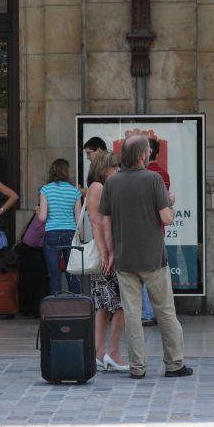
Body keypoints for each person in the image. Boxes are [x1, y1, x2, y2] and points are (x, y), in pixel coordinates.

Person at [98, 135, 192, 380]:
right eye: (148, 151)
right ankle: (174, 364)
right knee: (165, 311)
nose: (149, 154)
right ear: (143, 155)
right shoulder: (154, 179)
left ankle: (138, 367)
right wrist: (170, 202)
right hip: (153, 258)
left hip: (124, 258)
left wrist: (109, 253)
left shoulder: (112, 183)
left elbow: (105, 223)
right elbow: (166, 218)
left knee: (131, 314)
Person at [86, 151, 128, 372]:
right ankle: (113, 351)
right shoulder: (99, 188)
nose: (118, 170)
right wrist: (107, 253)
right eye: (114, 166)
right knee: (121, 304)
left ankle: (101, 352)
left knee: (104, 306)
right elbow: (97, 222)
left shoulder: (100, 187)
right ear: (104, 168)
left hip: (107, 255)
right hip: (108, 255)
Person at [38, 158, 83, 295]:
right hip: (70, 233)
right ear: (66, 172)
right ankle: (77, 307)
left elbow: (42, 217)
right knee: (73, 273)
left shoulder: (45, 190)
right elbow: (79, 218)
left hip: (52, 234)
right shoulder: (75, 191)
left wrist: (37, 211)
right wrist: (80, 238)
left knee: (54, 274)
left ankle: (56, 310)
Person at [140, 137, 170, 326]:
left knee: (141, 275)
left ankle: (148, 312)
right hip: (158, 229)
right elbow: (165, 204)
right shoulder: (162, 174)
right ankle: (159, 311)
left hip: (142, 230)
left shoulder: (141, 174)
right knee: (157, 274)